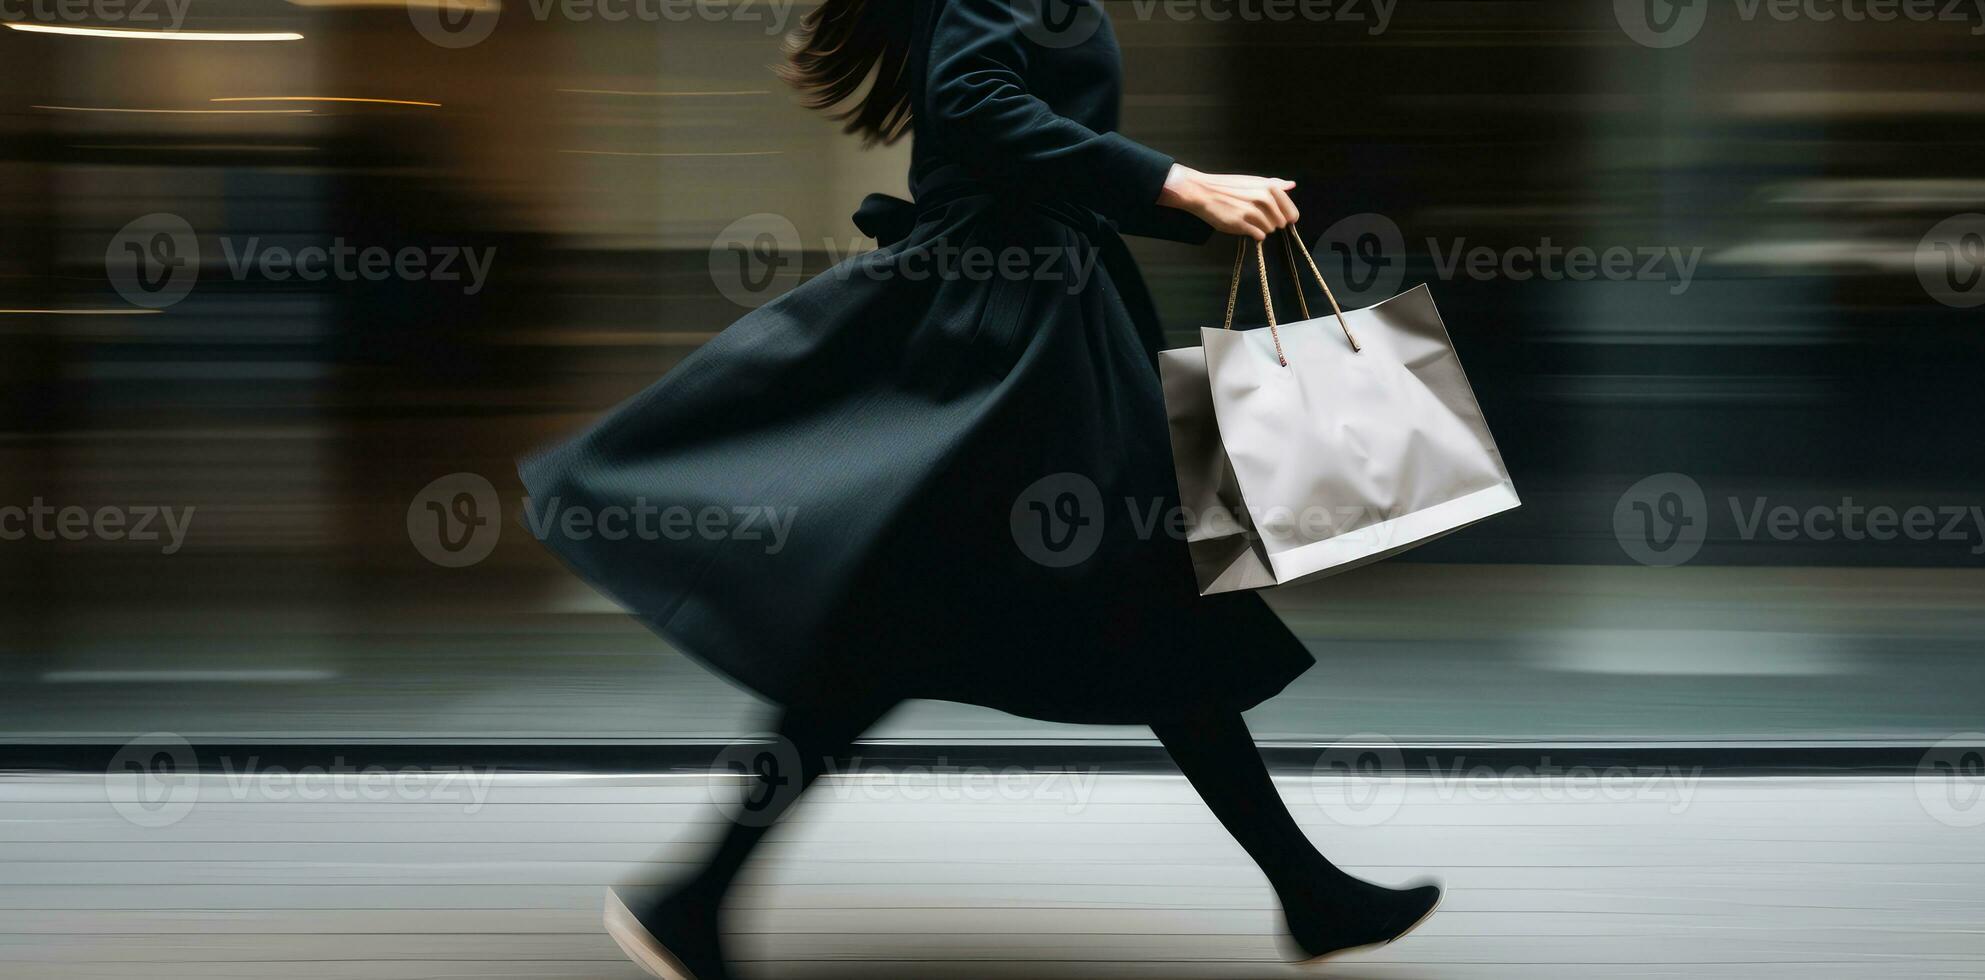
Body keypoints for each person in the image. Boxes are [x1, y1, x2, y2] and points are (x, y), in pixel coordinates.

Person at [520, 1, 1440, 975]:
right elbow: (971, 104)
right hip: (1008, 331)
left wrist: (1185, 192)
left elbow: (1026, 137)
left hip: (1037, 317)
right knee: (1129, 593)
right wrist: (1178, 184)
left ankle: (1308, 889)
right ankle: (694, 896)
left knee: (1065, 603)